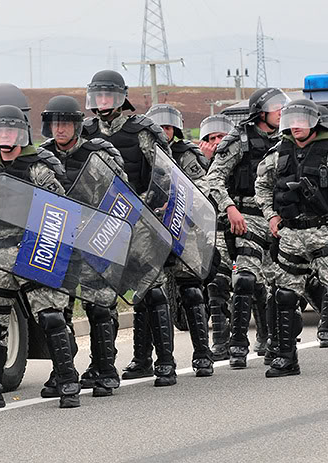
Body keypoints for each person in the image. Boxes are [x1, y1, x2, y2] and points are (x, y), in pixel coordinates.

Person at [0, 104, 80, 409]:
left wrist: (46, 247)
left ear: (22, 134)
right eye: (0, 131)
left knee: (51, 318)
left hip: (35, 252)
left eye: (10, 131)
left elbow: (59, 210)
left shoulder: (38, 167)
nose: (5, 137)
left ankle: (67, 382)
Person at [256, 99, 328, 376]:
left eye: (301, 120)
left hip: (326, 234)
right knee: (284, 295)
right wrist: (271, 216)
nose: (295, 126)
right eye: (291, 120)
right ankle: (286, 358)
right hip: (291, 233)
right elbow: (261, 185)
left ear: (314, 122)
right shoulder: (279, 153)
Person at [81, 70, 177, 386]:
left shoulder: (141, 131)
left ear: (121, 98)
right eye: (98, 97)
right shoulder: (85, 132)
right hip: (100, 225)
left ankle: (164, 362)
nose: (103, 103)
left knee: (152, 291)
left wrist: (148, 206)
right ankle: (101, 365)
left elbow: (165, 173)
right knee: (98, 296)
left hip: (140, 222)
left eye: (108, 96)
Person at [38, 95, 126, 397]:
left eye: (64, 123)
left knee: (99, 308)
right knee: (57, 311)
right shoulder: (41, 156)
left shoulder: (99, 152)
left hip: (96, 238)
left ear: (77, 125)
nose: (59, 129)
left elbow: (120, 194)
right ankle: (62, 372)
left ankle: (105, 370)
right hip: (59, 242)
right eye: (54, 123)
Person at [206, 88, 289, 368]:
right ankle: (237, 345)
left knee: (278, 285)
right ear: (260, 112)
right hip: (246, 216)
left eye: (283, 107)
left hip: (279, 219)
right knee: (244, 279)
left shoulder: (289, 139)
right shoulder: (238, 140)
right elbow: (214, 178)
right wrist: (230, 208)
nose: (281, 112)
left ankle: (274, 340)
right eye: (275, 107)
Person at [147, 103, 213, 376]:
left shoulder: (186, 154)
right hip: (152, 230)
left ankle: (203, 354)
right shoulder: (146, 153)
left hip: (185, 229)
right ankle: (156, 360)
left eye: (169, 127)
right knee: (152, 294)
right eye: (159, 127)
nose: (164, 131)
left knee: (191, 290)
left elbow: (203, 186)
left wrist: (178, 203)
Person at [198, 114, 236, 359]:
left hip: (246, 228)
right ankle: (220, 340)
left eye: (221, 137)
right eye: (211, 138)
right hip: (216, 231)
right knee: (216, 283)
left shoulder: (242, 157)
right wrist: (206, 162)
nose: (217, 142)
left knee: (255, 284)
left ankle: (268, 336)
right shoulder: (198, 163)